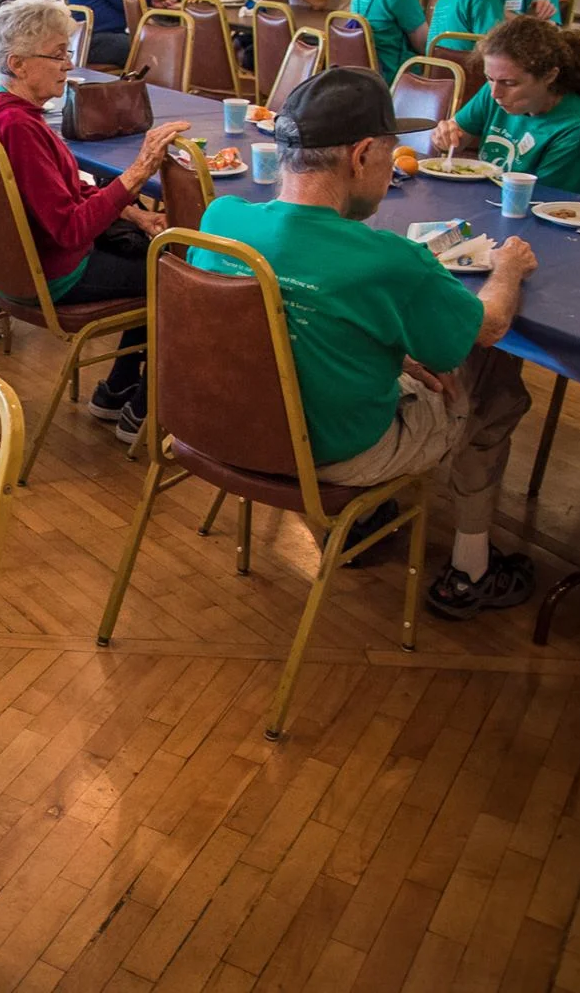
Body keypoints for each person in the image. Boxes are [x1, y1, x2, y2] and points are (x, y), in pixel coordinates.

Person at [194, 67, 542, 619]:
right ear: (361, 157)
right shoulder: (390, 260)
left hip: (221, 431)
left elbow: (276, 324)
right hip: (329, 455)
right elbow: (491, 325)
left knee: (377, 351)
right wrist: (508, 269)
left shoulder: (220, 219)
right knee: (494, 381)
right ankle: (472, 568)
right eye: (390, 152)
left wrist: (397, 350)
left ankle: (362, 521)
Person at [0, 0, 190, 441]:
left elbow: (65, 194)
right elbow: (71, 227)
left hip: (8, 268)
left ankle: (116, 390)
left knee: (152, 248)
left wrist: (134, 214)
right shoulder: (20, 129)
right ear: (18, 63)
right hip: (54, 271)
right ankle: (144, 408)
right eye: (58, 54)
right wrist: (138, 172)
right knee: (175, 275)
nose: (68, 64)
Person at [432, 16, 580, 200]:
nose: (495, 93)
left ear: (549, 76)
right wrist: (447, 137)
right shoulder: (495, 92)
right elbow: (458, 140)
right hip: (503, 204)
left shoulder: (579, 129)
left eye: (510, 83)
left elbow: (543, 203)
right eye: (489, 79)